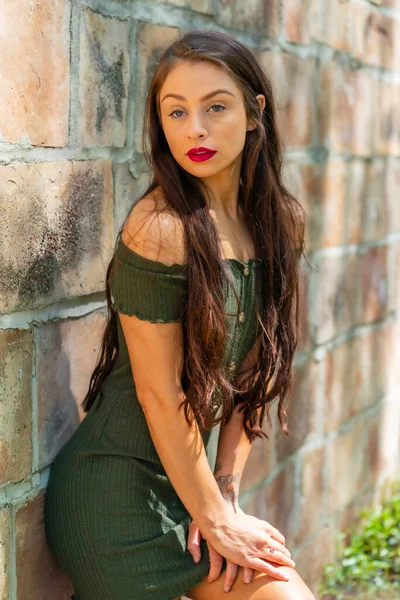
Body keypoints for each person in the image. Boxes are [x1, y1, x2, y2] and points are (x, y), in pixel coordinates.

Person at [44, 29, 315, 600]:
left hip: (197, 495)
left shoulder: (278, 222)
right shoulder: (159, 227)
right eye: (176, 111)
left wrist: (225, 495)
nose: (194, 128)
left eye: (216, 107)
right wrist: (214, 518)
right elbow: (160, 395)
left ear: (252, 113)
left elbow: (253, 377)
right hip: (116, 496)